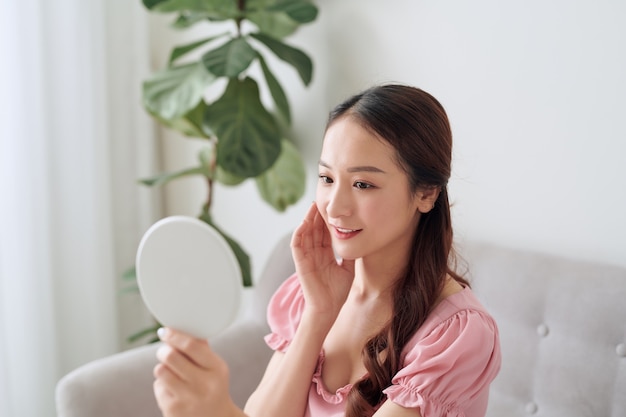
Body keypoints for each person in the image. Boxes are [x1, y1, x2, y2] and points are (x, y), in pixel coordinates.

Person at [152, 84, 502, 417]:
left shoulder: (456, 335)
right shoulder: (309, 294)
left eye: (363, 184)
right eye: (327, 179)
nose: (335, 207)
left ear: (426, 193)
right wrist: (319, 312)